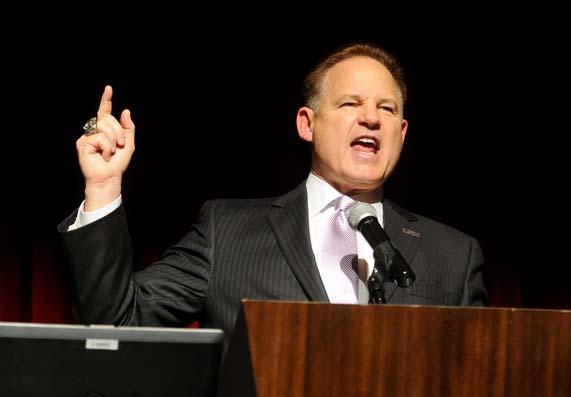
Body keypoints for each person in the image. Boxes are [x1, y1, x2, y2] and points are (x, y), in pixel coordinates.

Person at [58, 43, 487, 348]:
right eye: (350, 104)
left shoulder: (453, 254)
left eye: (387, 109)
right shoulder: (226, 233)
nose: (371, 118)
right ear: (307, 124)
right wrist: (102, 188)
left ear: (402, 132)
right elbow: (114, 323)